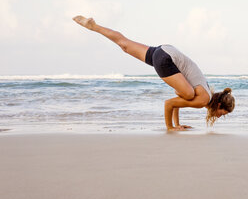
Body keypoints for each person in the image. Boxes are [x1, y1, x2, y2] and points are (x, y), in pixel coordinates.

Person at [72, 15, 235, 131]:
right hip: (167, 60)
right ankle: (170, 127)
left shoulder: (205, 90)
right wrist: (171, 128)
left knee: (125, 45)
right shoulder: (202, 100)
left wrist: (178, 123)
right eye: (223, 113)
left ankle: (93, 26)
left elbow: (178, 101)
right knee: (188, 92)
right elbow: (170, 103)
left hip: (165, 50)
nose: (220, 116)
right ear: (219, 105)